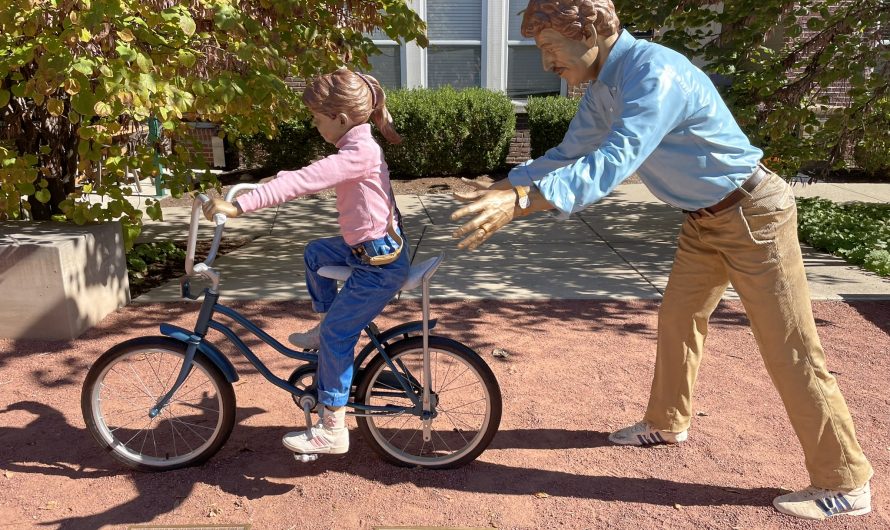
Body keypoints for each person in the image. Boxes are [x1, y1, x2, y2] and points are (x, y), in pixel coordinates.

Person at [450, 0, 873, 521]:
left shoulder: (655, 72)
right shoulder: (604, 84)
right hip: (703, 220)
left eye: (550, 47)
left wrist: (518, 203)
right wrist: (500, 187)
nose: (545, 63)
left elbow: (613, 161)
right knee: (677, 320)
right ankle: (668, 422)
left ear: (590, 31)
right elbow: (569, 154)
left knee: (790, 348)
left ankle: (846, 481)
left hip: (752, 215)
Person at [203, 68, 409, 456]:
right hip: (370, 248)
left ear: (341, 120)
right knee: (315, 253)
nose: (316, 127)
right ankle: (325, 323)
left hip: (379, 264)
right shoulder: (357, 149)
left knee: (338, 338)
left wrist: (241, 205)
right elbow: (305, 175)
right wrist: (261, 184)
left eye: (317, 120)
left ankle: (333, 428)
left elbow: (306, 180)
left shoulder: (358, 154)